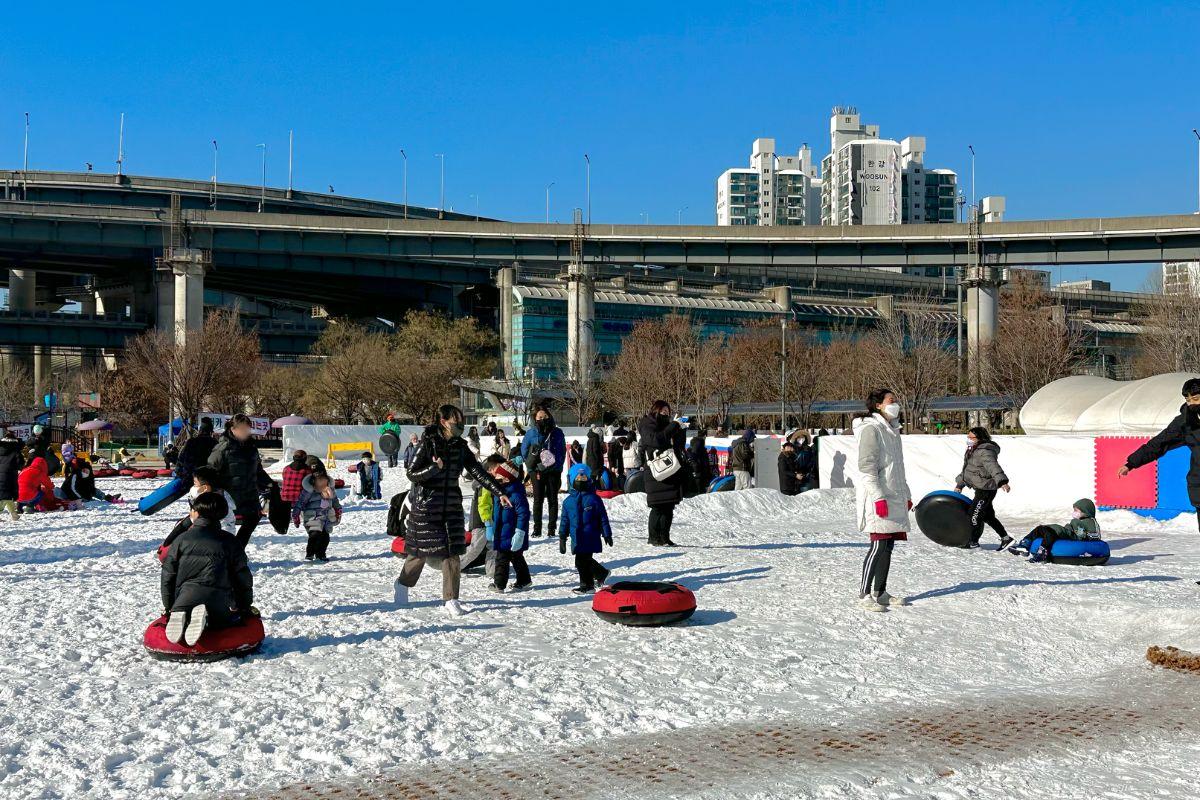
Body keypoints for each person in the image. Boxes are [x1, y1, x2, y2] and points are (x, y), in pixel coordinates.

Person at [395, 404, 510, 617]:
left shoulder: (459, 445)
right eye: (456, 421)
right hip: (427, 505)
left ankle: (451, 598)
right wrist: (433, 468)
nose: (460, 425)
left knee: (452, 552)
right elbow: (411, 473)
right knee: (421, 552)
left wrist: (498, 490)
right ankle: (403, 584)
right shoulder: (427, 443)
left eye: (461, 420)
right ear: (443, 422)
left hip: (451, 505)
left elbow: (476, 470)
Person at [160, 492, 254, 646]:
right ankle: (208, 617)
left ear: (196, 513)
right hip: (219, 598)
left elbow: (167, 575)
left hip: (185, 596)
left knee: (183, 605)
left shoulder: (181, 540)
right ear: (222, 515)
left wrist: (169, 606)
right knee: (220, 623)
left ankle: (181, 612)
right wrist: (244, 606)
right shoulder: (230, 541)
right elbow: (242, 577)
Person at [854, 388, 912, 613]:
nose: (895, 404)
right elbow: (867, 468)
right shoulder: (871, 429)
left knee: (888, 546)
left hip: (894, 497)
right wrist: (878, 497)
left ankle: (880, 591)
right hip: (878, 498)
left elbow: (898, 469)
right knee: (878, 544)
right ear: (878, 405)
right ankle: (864, 593)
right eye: (891, 400)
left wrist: (906, 495)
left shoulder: (892, 431)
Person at [1119, 377, 1200, 540]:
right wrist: (1132, 462)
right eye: (1188, 399)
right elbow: (1159, 443)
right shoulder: (1185, 423)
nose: (1191, 403)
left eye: (1196, 399)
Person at [207, 413, 273, 549]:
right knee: (226, 528)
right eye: (242, 429)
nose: (246, 432)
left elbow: (258, 470)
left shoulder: (251, 448)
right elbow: (211, 470)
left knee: (254, 517)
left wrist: (270, 484)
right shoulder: (223, 448)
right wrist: (215, 491)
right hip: (230, 495)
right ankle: (226, 552)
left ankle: (237, 549)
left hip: (249, 493)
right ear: (233, 429)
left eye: (247, 428)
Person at [954, 427, 1012, 550]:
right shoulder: (973, 450)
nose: (968, 439)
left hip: (986, 489)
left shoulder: (985, 451)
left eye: (971, 437)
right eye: (968, 437)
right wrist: (960, 484)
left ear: (979, 438)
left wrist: (1002, 481)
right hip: (980, 487)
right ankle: (1006, 539)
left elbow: (993, 467)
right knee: (987, 516)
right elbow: (969, 471)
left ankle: (973, 542)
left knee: (974, 514)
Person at [559, 464, 613, 593]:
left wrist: (607, 533)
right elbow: (564, 521)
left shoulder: (594, 499)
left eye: (583, 479)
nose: (581, 481)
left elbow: (602, 518)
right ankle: (601, 573)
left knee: (581, 561)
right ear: (572, 480)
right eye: (578, 479)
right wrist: (562, 536)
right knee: (584, 560)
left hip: (590, 535)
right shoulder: (568, 502)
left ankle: (587, 586)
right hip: (576, 537)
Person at [638, 400, 686, 546]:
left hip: (671, 469)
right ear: (655, 410)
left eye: (668, 412)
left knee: (669, 506)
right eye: (663, 411)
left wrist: (680, 429)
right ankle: (653, 537)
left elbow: (678, 446)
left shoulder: (668, 425)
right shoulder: (647, 424)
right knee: (658, 506)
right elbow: (656, 440)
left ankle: (665, 537)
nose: (666, 414)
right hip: (655, 471)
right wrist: (673, 426)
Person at [161, 466, 238, 550]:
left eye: (195, 483)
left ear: (205, 488)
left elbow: (227, 528)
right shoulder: (198, 494)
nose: (193, 487)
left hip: (215, 540)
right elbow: (188, 521)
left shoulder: (220, 503)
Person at [487, 459, 532, 593]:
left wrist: (519, 532)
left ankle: (499, 584)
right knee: (516, 557)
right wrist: (491, 525)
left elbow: (523, 514)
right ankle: (524, 580)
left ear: (507, 478)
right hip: (502, 531)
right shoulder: (500, 492)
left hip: (511, 534)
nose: (496, 479)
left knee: (502, 558)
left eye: (500, 477)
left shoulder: (516, 495)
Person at [520, 408, 566, 539]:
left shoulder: (557, 432)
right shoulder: (531, 433)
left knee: (553, 499)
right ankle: (537, 528)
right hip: (537, 471)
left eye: (545, 416)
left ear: (549, 416)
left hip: (553, 471)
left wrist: (556, 466)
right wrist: (532, 468)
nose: (542, 419)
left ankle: (552, 528)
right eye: (539, 417)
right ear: (535, 419)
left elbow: (562, 451)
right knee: (537, 500)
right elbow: (524, 451)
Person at [1010, 499, 1101, 562]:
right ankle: (1024, 544)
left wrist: (1082, 534)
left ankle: (1042, 553)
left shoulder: (1090, 521)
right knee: (1040, 529)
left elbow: (1093, 535)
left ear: (1086, 511)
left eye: (1077, 510)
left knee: (1049, 534)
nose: (1074, 512)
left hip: (1070, 536)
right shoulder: (1078, 521)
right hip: (1065, 532)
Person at [292, 471, 342, 562]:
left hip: (326, 518)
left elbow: (335, 501)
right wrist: (296, 515)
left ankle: (321, 554)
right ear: (314, 482)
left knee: (325, 538)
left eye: (324, 481)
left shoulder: (330, 491)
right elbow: (300, 503)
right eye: (320, 481)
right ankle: (309, 554)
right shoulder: (308, 492)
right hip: (312, 517)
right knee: (314, 536)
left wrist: (338, 509)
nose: (322, 483)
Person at [176, 418, 217, 483]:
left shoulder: (191, 442)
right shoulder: (214, 443)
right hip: (207, 480)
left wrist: (180, 474)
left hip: (189, 477)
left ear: (200, 430)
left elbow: (180, 460)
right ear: (210, 431)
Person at [0, 428, 23, 520]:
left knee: (6, 495)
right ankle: (13, 514)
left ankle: (14, 514)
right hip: (10, 474)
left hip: (1, 473)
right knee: (6, 495)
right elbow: (20, 463)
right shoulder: (15, 450)